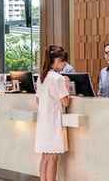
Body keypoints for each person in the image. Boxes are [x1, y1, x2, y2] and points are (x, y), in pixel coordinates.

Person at [35, 45, 71, 181]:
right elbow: (66, 102)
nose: (64, 64)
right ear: (56, 60)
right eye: (63, 61)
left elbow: (38, 101)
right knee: (53, 158)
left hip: (43, 122)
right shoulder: (58, 78)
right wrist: (66, 85)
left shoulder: (42, 77)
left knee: (45, 157)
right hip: (53, 123)